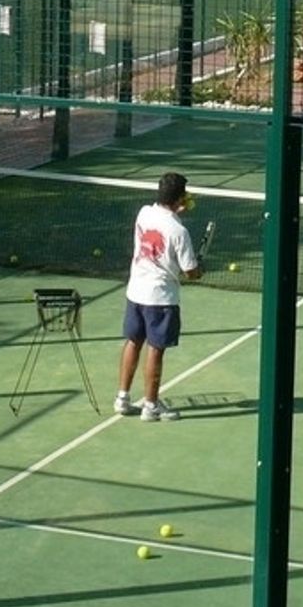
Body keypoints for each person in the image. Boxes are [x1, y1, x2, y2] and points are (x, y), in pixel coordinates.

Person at [114, 171, 204, 422]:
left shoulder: (144, 212)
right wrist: (200, 269)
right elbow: (191, 272)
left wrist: (175, 211)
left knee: (133, 341)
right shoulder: (179, 231)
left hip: (136, 292)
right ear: (180, 199)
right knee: (156, 350)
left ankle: (122, 398)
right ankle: (151, 406)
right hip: (160, 300)